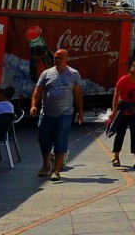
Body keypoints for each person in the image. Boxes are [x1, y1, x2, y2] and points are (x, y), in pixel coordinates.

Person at [30, 48, 84, 182]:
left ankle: (56, 170)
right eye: (56, 58)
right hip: (46, 114)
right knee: (44, 141)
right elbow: (37, 91)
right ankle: (45, 164)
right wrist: (33, 105)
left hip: (65, 114)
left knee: (61, 141)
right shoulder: (46, 73)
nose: (57, 60)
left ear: (67, 59)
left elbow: (77, 94)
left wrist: (80, 111)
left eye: (60, 58)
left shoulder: (74, 74)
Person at [109, 59, 135, 170]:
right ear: (132, 68)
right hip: (124, 110)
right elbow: (116, 96)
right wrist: (114, 111)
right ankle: (116, 157)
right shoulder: (123, 80)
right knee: (120, 133)